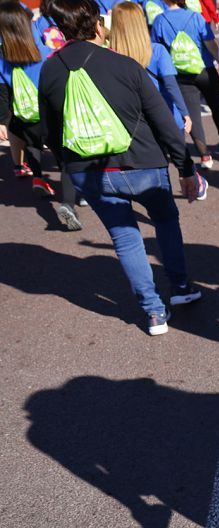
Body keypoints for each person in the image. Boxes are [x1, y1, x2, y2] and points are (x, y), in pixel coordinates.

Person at [39, 0, 204, 336]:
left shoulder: (50, 70)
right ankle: (181, 287)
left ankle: (155, 313)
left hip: (89, 171)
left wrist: (67, 166)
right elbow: (163, 122)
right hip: (142, 162)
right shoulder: (125, 65)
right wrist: (186, 169)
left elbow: (51, 133)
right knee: (165, 221)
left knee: (125, 238)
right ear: (98, 26)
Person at [0, 0, 83, 230]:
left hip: (24, 115)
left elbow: (3, 92)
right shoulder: (47, 53)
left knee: (33, 144)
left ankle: (38, 177)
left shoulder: (3, 58)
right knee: (65, 159)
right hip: (51, 114)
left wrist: (2, 121)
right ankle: (69, 203)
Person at [152, 0, 219, 168]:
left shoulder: (159, 21)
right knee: (216, 106)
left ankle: (205, 156)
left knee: (192, 116)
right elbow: (211, 46)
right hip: (204, 70)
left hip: (180, 74)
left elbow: (157, 50)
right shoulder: (195, 17)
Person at [108, 2, 193, 143]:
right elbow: (171, 85)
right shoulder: (157, 50)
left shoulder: (110, 55)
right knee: (180, 160)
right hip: (167, 116)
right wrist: (185, 113)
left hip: (133, 122)